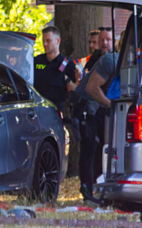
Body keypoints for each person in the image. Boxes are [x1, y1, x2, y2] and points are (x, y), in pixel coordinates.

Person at [72, 46, 122, 204]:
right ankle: (88, 192)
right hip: (88, 106)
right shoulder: (111, 61)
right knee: (90, 148)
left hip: (101, 108)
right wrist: (111, 106)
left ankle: (101, 192)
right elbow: (91, 88)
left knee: (103, 149)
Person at [33, 26, 80, 110]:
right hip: (38, 108)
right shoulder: (36, 61)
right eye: (43, 41)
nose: (44, 44)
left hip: (58, 109)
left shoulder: (67, 64)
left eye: (48, 41)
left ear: (58, 41)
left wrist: (67, 80)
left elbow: (76, 91)